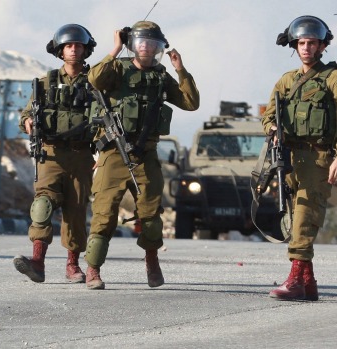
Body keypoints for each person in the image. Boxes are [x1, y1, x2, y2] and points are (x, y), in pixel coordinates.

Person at [85, 21, 200, 290]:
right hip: (114, 152)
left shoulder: (160, 76)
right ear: (132, 46)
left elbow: (191, 102)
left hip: (145, 154)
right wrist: (114, 49)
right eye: (142, 42)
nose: (147, 47)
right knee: (104, 212)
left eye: (153, 43)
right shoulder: (117, 69)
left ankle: (151, 260)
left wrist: (180, 69)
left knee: (150, 214)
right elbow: (94, 79)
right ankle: (93, 270)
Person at [261, 15, 337, 301]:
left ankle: (294, 281)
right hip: (290, 160)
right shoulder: (286, 81)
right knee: (295, 219)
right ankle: (308, 282)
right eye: (301, 43)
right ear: (295, 45)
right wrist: (273, 128)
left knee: (305, 216)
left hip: (318, 160)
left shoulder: (334, 79)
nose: (306, 48)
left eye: (312, 43)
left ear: (322, 46)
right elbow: (267, 116)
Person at [13, 24, 97, 284]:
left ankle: (73, 266)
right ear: (60, 51)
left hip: (82, 155)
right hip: (50, 154)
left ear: (85, 50)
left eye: (78, 46)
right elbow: (26, 114)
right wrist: (28, 123)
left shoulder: (96, 83)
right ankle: (37, 262)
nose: (73, 50)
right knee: (42, 205)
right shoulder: (46, 82)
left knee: (76, 211)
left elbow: (107, 118)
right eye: (68, 46)